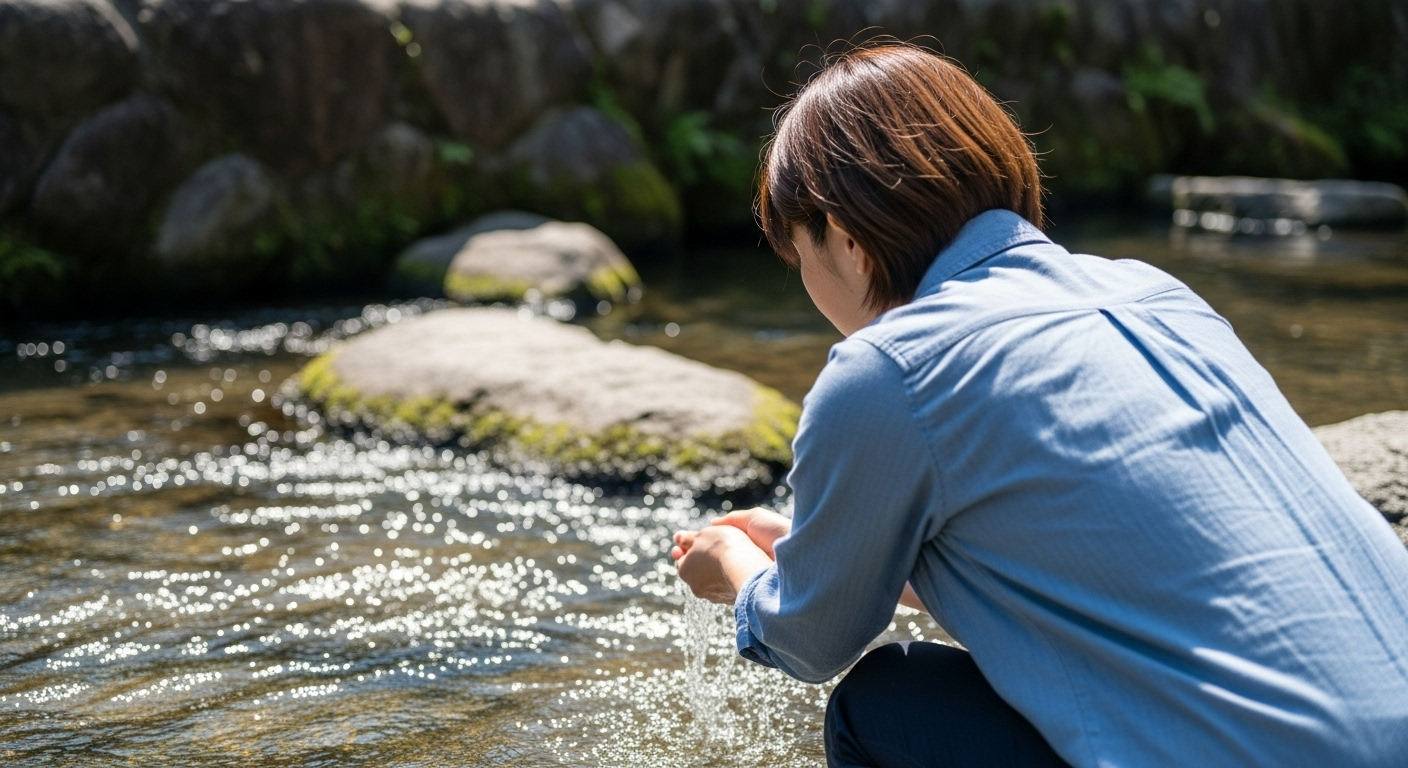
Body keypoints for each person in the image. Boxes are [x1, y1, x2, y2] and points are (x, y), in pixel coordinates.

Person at [670, 43, 1408, 768]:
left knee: (887, 701)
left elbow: (807, 640)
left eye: (800, 256)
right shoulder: (1152, 292)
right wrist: (832, 550)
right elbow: (1103, 556)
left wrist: (735, 567)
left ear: (847, 238)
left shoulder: (888, 369)